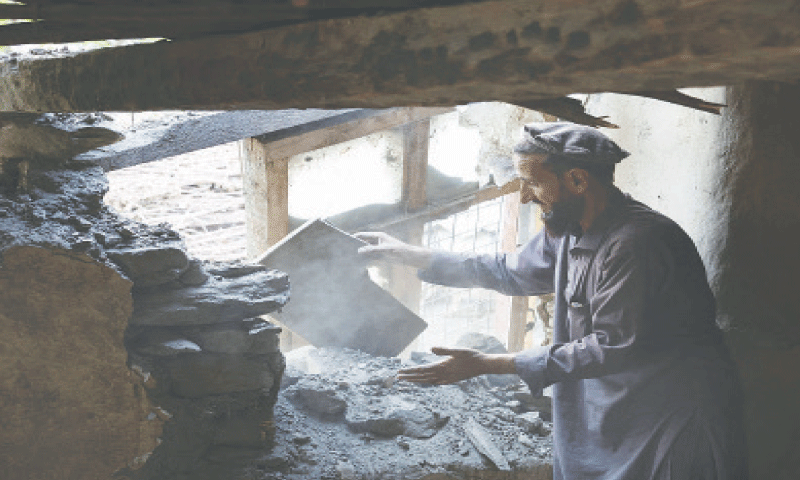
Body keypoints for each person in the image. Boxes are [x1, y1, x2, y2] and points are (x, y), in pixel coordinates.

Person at [356, 122, 748, 480]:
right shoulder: (569, 229)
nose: (524, 196)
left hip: (670, 417)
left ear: (577, 179)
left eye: (531, 182)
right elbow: (510, 271)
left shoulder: (635, 243)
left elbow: (611, 347)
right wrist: (412, 256)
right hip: (618, 408)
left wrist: (488, 364)